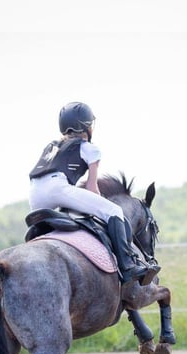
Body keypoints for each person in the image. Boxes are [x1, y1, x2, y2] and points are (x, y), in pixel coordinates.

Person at [29, 101, 159, 286]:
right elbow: (91, 187)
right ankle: (128, 265)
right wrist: (100, 204)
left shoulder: (51, 146)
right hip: (58, 189)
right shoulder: (89, 148)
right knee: (113, 211)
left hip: (35, 197)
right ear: (86, 127)